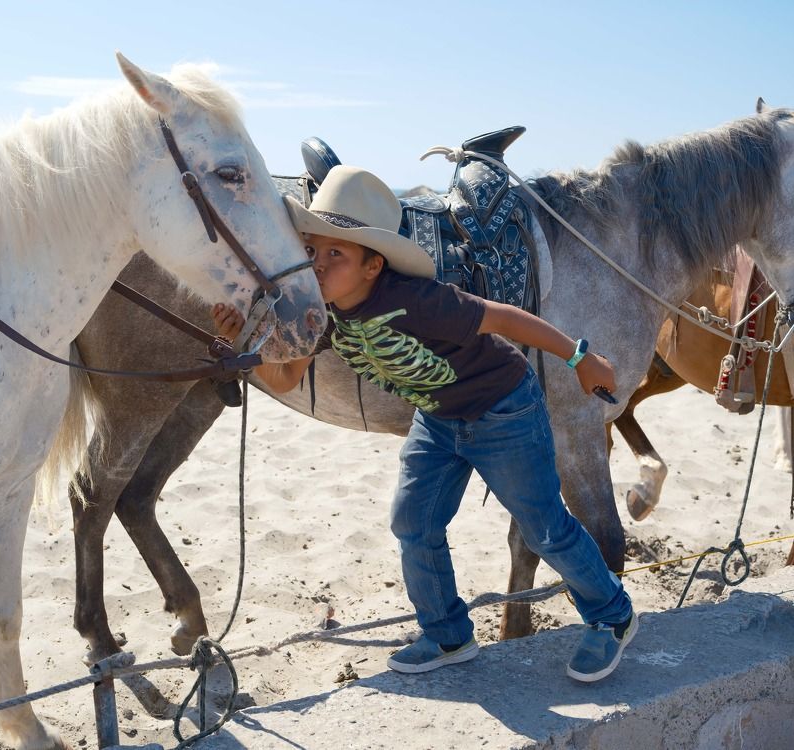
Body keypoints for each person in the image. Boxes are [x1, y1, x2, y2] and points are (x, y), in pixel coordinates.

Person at [212, 165, 636, 682]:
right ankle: (448, 634)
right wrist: (239, 345)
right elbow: (285, 378)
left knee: (545, 528)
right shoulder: (320, 312)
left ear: (373, 266)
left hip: (501, 408)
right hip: (437, 419)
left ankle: (613, 615)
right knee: (413, 522)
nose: (318, 266)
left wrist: (579, 358)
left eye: (335, 255)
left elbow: (503, 318)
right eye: (311, 252)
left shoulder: (416, 301)